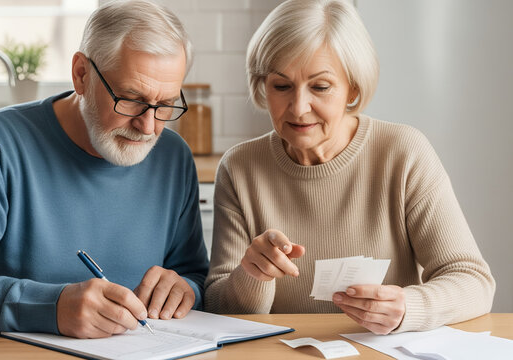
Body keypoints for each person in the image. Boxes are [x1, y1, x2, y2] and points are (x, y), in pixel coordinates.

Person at [0, 0, 208, 339]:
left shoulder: (173, 156)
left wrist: (186, 289)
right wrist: (52, 307)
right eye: (131, 99)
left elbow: (193, 274)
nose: (148, 127)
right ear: (81, 74)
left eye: (165, 104)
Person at [204, 0, 495, 334]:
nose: (299, 108)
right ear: (262, 86)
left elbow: (473, 282)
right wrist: (251, 275)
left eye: (320, 87)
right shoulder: (240, 168)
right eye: (281, 86)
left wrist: (408, 307)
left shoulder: (401, 152)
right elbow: (217, 307)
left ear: (352, 89)